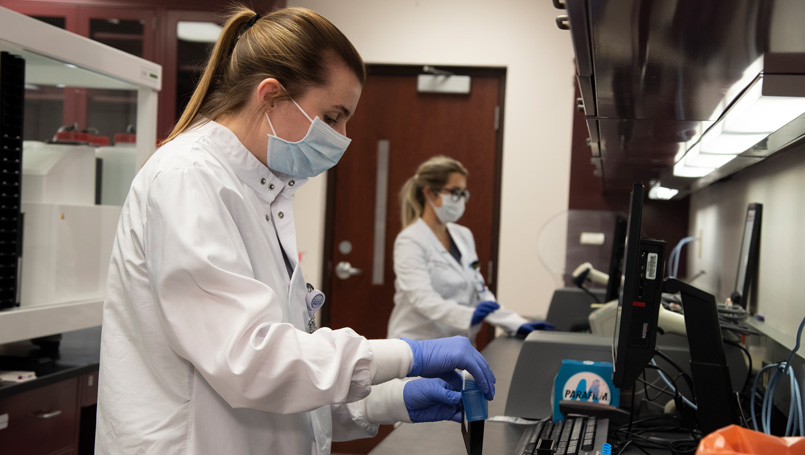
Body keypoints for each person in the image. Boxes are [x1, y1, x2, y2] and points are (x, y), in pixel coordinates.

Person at [95, 7, 497, 455]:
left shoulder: (261, 192)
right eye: (332, 117)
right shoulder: (188, 178)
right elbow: (251, 362)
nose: (343, 136)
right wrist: (407, 355)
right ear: (270, 96)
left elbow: (289, 370)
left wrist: (388, 401)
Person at [388, 156, 554, 342]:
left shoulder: (463, 235)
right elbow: (422, 299)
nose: (460, 199)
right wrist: (468, 316)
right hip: (419, 344)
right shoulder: (410, 240)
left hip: (457, 343)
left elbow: (479, 290)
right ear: (429, 193)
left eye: (463, 193)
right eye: (455, 192)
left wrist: (515, 323)